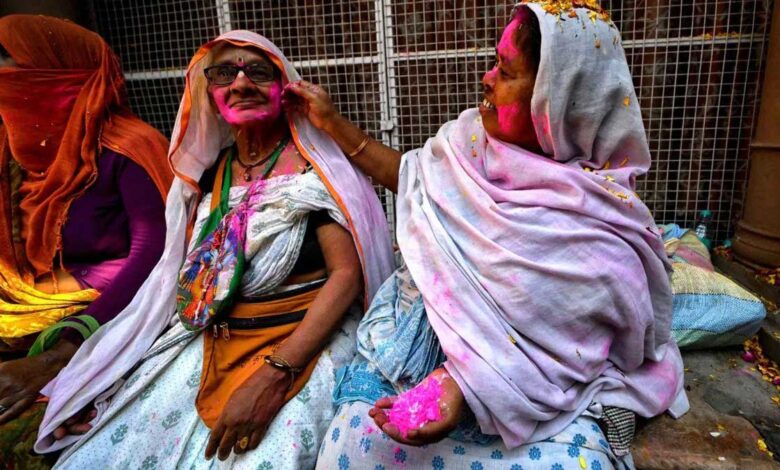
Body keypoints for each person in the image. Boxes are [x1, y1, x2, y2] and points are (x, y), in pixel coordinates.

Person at [284, 1, 688, 468]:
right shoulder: (468, 142)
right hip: (421, 343)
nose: (486, 78)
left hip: (533, 402)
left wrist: (465, 383)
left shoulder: (604, 221)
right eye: (495, 62)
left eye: (506, 69)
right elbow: (414, 178)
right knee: (355, 446)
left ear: (558, 99)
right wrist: (331, 123)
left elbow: (582, 338)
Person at [35, 31, 394, 469]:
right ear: (210, 93)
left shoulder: (314, 171)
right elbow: (178, 281)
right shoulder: (207, 177)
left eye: (258, 72)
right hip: (209, 337)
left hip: (300, 342)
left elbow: (346, 277)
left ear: (286, 92)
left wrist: (276, 373)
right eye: (225, 73)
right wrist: (107, 376)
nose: (240, 83)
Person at [0, 15, 172, 467]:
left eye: (20, 68)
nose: (8, 81)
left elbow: (155, 256)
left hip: (109, 309)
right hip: (32, 301)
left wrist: (63, 351)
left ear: (66, 79)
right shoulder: (26, 151)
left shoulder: (130, 149)